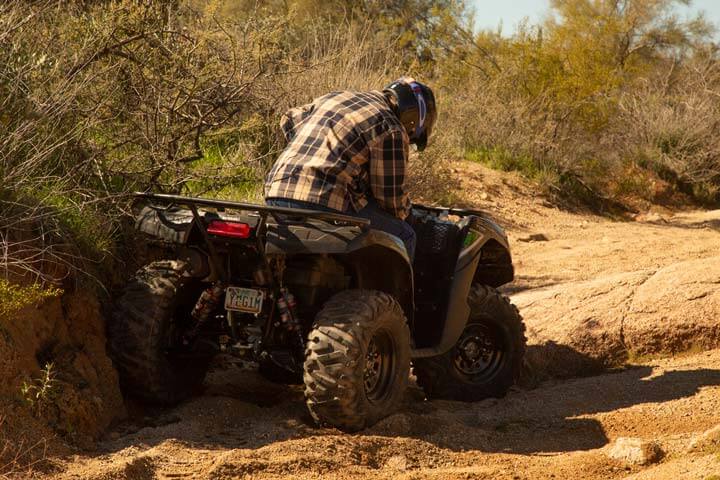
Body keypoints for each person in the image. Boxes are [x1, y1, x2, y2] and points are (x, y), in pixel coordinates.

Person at [264, 77, 437, 259]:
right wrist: (409, 215)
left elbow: (288, 118)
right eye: (413, 137)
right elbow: (391, 202)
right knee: (404, 235)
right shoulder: (391, 127)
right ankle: (383, 289)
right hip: (324, 201)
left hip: (276, 192)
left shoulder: (335, 97)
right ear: (413, 119)